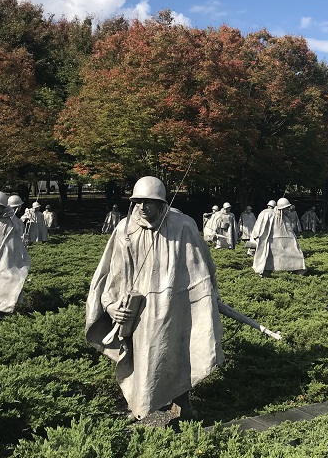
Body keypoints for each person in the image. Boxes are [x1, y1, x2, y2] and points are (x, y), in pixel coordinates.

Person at [85, 176, 224, 420]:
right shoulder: (124, 229)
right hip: (139, 310)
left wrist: (204, 299)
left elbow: (202, 270)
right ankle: (141, 403)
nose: (142, 207)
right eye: (138, 201)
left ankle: (182, 402)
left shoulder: (183, 226)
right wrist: (111, 306)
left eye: (149, 202)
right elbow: (112, 275)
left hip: (176, 306)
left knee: (178, 353)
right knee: (143, 355)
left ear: (162, 203)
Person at [249, 197, 306, 276]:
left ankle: (299, 270)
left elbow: (290, 232)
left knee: (295, 253)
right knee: (268, 257)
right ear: (281, 208)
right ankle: (264, 273)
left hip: (284, 242)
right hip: (271, 241)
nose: (288, 210)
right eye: (287, 208)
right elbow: (260, 226)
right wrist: (256, 237)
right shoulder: (268, 214)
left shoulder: (285, 218)